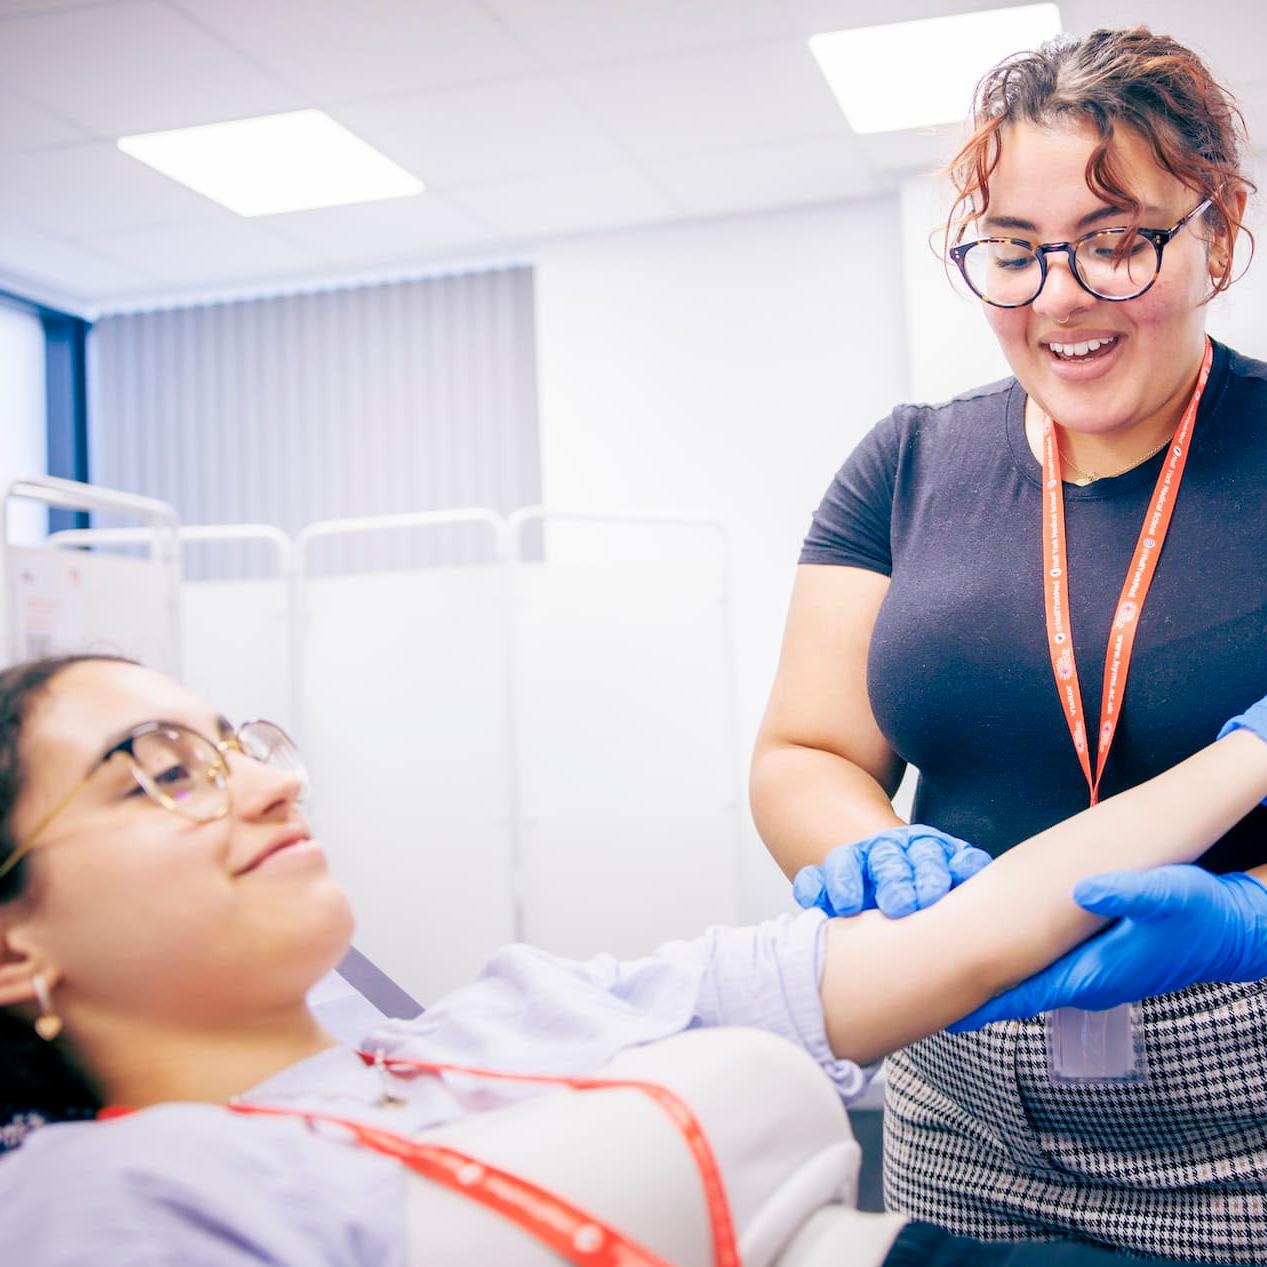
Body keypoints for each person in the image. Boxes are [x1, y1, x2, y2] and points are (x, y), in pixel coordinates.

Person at [3, 654, 1267, 1265]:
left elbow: (972, 931)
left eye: (241, 744)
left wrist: (1246, 756)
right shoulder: (101, 1201)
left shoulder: (501, 1018)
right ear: (13, 947)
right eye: (163, 773)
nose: (274, 784)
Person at [750, 24, 1267, 1260]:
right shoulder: (908, 464)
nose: (1060, 297)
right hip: (961, 1088)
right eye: (1015, 251)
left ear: (1217, 234)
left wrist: (1252, 915)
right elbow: (805, 751)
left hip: (1246, 1102)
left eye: (1116, 242)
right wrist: (876, 854)